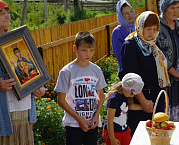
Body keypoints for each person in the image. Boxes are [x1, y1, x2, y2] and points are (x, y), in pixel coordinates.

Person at [0, 1, 45, 144]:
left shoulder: (16, 41)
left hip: (23, 108)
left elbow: (30, 69)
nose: (7, 16)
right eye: (2, 13)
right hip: (3, 113)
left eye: (7, 12)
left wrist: (38, 85)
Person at [121, 11, 170, 137]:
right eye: (148, 29)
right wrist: (143, 101)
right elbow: (130, 79)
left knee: (158, 135)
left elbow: (159, 72)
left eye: (155, 29)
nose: (152, 33)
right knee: (141, 137)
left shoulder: (153, 44)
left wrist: (164, 95)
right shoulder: (130, 46)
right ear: (140, 27)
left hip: (156, 97)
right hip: (141, 101)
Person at [54, 31, 107, 145]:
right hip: (73, 124)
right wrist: (79, 119)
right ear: (75, 48)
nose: (88, 54)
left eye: (91, 50)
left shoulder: (96, 70)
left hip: (92, 123)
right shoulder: (66, 71)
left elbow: (101, 96)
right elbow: (61, 100)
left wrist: (97, 115)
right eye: (84, 50)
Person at [156, 0, 179, 122]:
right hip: (165, 80)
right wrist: (175, 73)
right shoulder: (157, 26)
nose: (176, 11)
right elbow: (158, 53)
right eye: (172, 8)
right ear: (164, 9)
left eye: (177, 7)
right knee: (165, 114)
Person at [102, 73, 144, 145]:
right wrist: (112, 139)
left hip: (124, 130)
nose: (133, 95)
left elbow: (129, 106)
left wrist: (143, 107)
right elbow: (110, 120)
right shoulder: (114, 99)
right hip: (113, 132)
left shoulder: (124, 96)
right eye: (132, 93)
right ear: (125, 87)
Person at [112, 0, 135, 79]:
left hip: (140, 69)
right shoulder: (117, 32)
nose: (130, 15)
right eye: (126, 13)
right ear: (121, 16)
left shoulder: (137, 27)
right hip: (126, 71)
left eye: (131, 12)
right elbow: (119, 55)